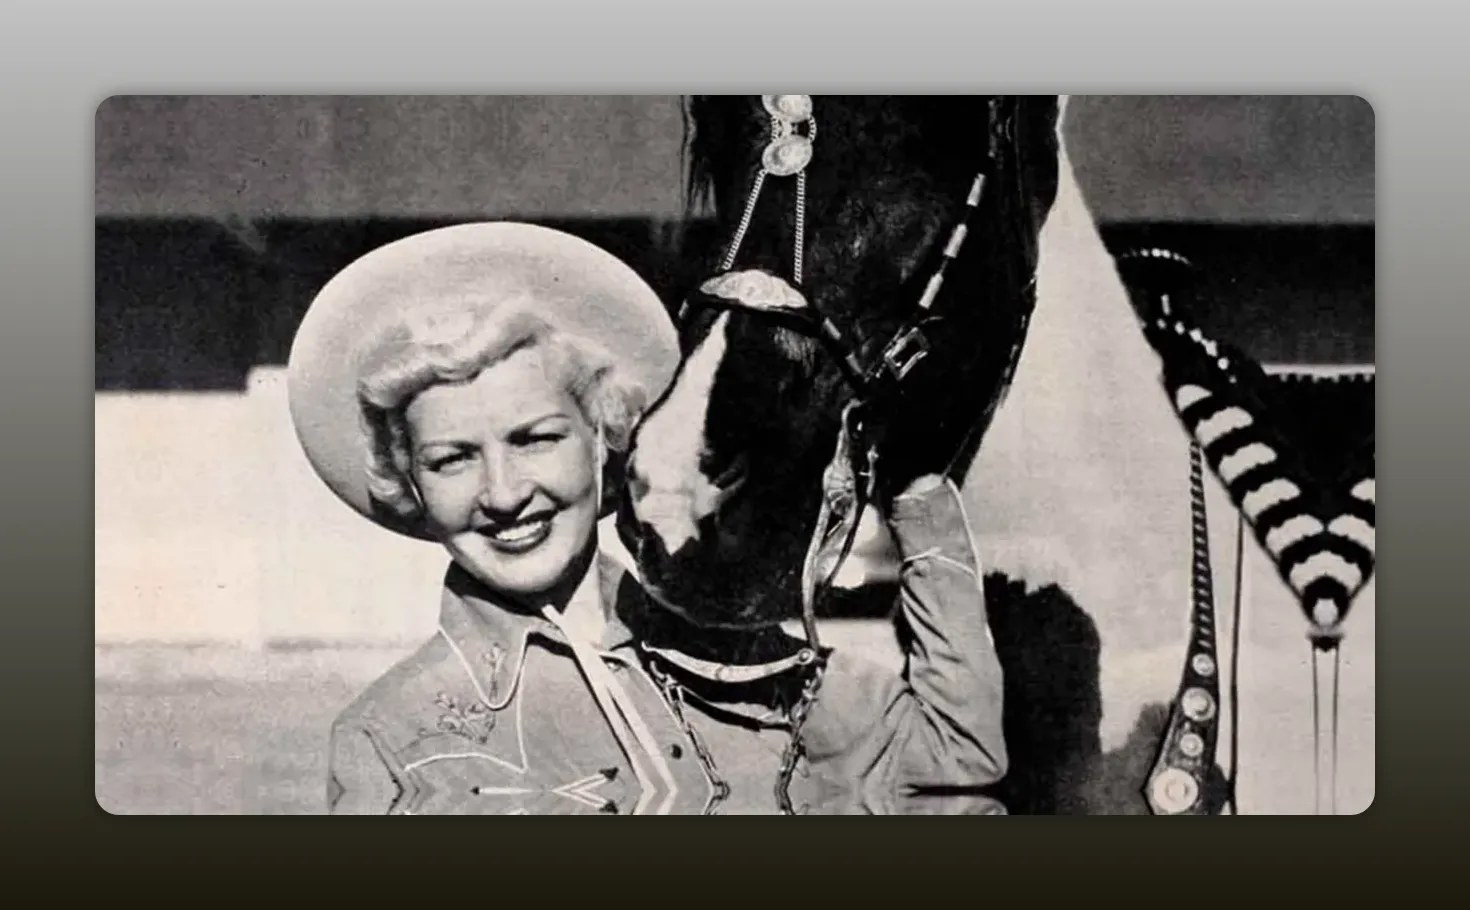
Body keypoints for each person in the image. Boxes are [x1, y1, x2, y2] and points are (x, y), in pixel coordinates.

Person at [289, 221, 1006, 815]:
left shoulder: (745, 656)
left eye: (536, 438)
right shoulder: (387, 737)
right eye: (452, 459)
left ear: (603, 437)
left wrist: (917, 489)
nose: (503, 494)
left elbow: (955, 760)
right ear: (409, 482)